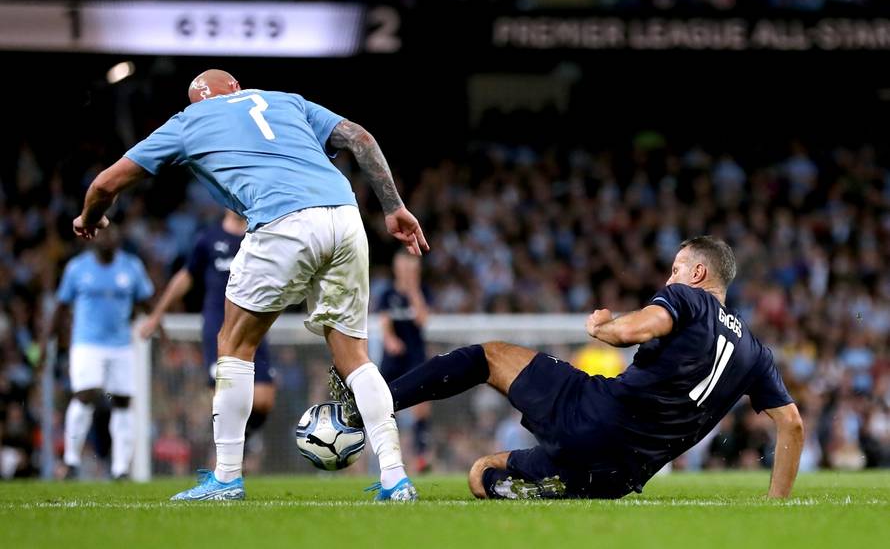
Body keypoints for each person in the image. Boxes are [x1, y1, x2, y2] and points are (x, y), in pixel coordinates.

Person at [72, 69, 429, 501]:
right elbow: (361, 138)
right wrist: (393, 207)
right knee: (354, 355)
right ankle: (395, 477)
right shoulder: (286, 100)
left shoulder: (189, 121)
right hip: (345, 215)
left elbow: (106, 183)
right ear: (238, 88)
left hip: (281, 220)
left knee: (234, 345)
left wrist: (90, 218)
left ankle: (225, 479)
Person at [365, 236, 803, 499]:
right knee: (483, 473)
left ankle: (365, 409)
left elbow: (643, 326)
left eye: (675, 269)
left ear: (698, 271)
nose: (670, 279)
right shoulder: (756, 352)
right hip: (621, 475)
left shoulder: (689, 298)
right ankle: (534, 481)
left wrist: (606, 328)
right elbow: (793, 425)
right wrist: (776, 502)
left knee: (487, 356)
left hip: (595, 417)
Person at [139, 210, 277, 455]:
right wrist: (157, 313)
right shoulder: (209, 238)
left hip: (254, 324)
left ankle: (238, 445)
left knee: (264, 399)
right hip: (219, 327)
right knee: (226, 398)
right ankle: (224, 459)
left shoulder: (258, 236)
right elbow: (186, 276)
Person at [43, 227, 154, 480]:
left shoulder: (132, 267)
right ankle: (71, 460)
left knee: (124, 401)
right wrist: (45, 345)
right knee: (86, 393)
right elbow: (61, 307)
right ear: (93, 239)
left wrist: (161, 328)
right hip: (87, 343)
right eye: (102, 234)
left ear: (118, 239)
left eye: (111, 233)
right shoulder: (77, 268)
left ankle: (120, 468)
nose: (108, 238)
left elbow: (147, 301)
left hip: (122, 345)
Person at [377, 251, 432, 472]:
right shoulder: (388, 294)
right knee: (387, 406)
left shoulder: (421, 292)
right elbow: (384, 322)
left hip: (415, 357)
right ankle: (392, 457)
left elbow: (422, 319)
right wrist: (390, 339)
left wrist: (413, 290)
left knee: (421, 407)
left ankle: (422, 456)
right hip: (393, 359)